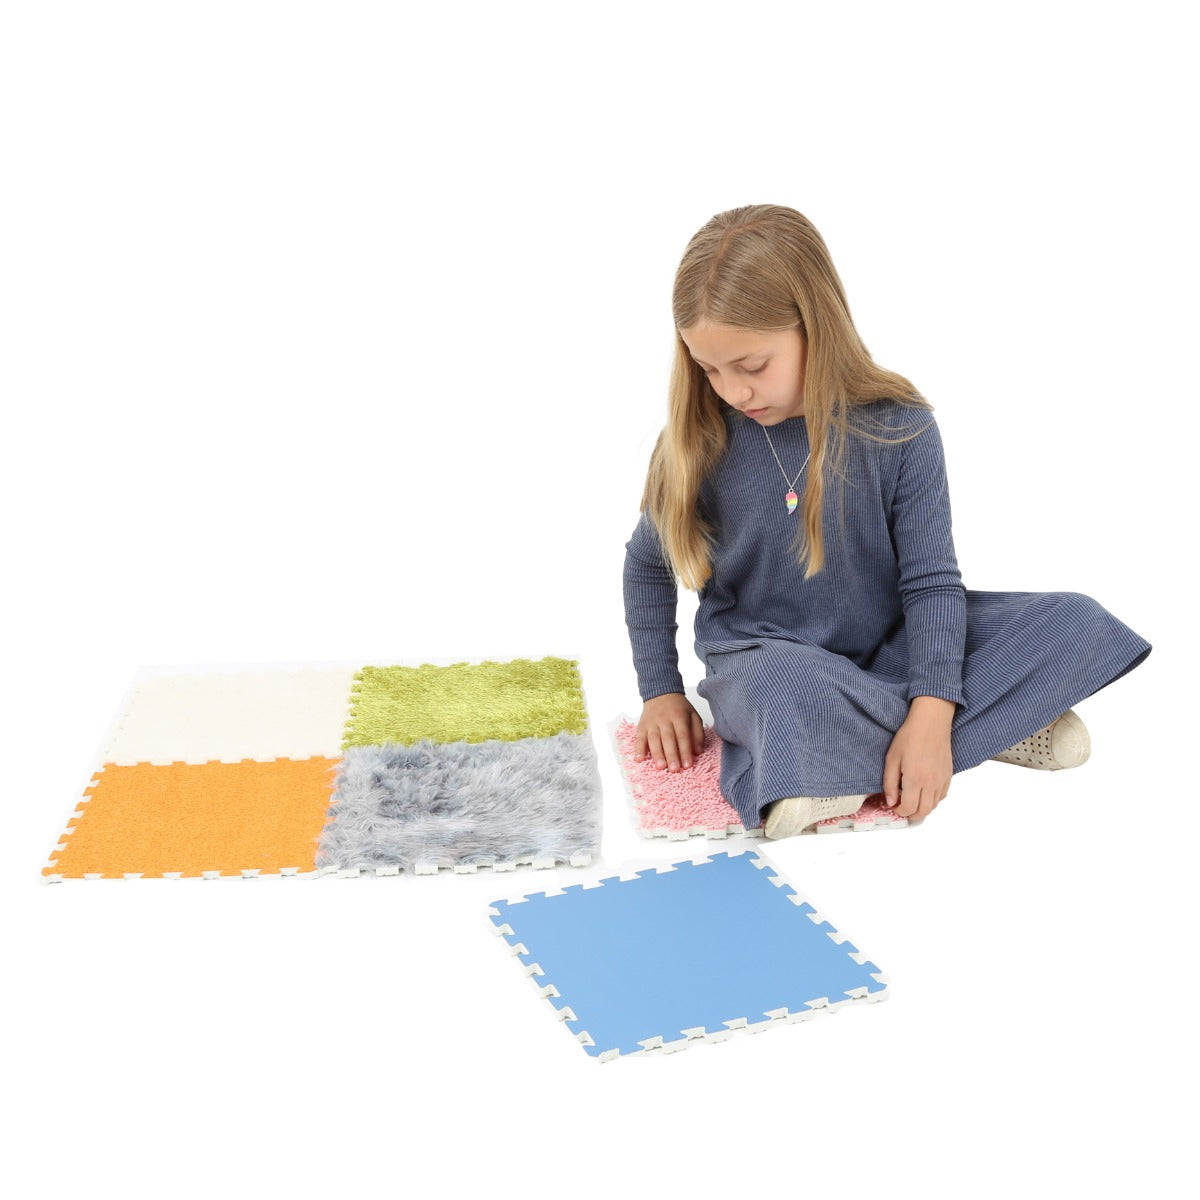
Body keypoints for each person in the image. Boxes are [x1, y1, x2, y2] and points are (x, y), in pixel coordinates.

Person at [622, 204, 1152, 839]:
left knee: (1075, 621)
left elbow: (931, 583)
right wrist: (660, 691)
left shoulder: (901, 426)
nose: (733, 391)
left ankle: (847, 763)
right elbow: (646, 566)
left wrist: (929, 712)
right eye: (710, 370)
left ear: (814, 327)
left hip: (887, 652)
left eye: (753, 366)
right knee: (780, 687)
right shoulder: (698, 441)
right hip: (766, 660)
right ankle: (997, 724)